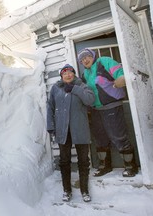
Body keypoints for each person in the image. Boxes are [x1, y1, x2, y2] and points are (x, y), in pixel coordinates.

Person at [77, 48, 138, 178]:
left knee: (118, 136)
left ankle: (130, 166)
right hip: (95, 110)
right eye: (82, 59)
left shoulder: (104, 61)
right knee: (100, 139)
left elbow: (118, 71)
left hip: (112, 106)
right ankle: (105, 166)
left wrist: (121, 78)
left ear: (93, 55)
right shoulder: (85, 74)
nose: (85, 60)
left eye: (87, 56)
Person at [46, 64, 95, 202]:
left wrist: (75, 89)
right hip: (63, 130)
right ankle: (66, 190)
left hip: (80, 128)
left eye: (70, 72)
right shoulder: (56, 88)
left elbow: (90, 100)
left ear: (74, 74)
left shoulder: (81, 85)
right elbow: (50, 107)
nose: (68, 75)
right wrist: (50, 125)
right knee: (64, 161)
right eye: (65, 73)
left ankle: (84, 190)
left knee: (83, 161)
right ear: (61, 75)